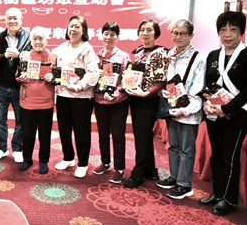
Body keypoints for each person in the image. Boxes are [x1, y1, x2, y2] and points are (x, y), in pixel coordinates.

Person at [201, 11, 247, 216]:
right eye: (223, 30)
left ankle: (228, 198)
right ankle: (217, 193)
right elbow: (208, 83)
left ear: (241, 32)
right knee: (216, 155)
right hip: (214, 113)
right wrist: (207, 104)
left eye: (233, 30)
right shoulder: (213, 55)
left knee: (230, 157)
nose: (227, 34)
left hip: (237, 115)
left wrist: (226, 109)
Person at [156, 19, 205, 199]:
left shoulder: (198, 58)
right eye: (175, 33)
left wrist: (186, 110)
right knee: (173, 145)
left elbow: (198, 89)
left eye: (183, 33)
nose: (178, 37)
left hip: (189, 111)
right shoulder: (170, 55)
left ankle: (184, 184)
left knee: (186, 149)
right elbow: (168, 82)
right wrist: (165, 93)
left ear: (191, 35)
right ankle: (174, 177)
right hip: (172, 107)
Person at [52, 16, 101, 178]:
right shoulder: (62, 47)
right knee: (64, 129)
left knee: (81, 131)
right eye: (71, 26)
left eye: (77, 27)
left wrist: (79, 86)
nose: (72, 29)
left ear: (83, 31)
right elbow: (52, 64)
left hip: (81, 97)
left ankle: (83, 163)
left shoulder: (87, 49)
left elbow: (93, 73)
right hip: (63, 95)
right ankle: (68, 158)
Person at [123, 19, 168, 188]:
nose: (145, 33)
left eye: (149, 30)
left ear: (156, 34)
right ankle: (150, 170)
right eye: (142, 30)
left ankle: (138, 173)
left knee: (142, 137)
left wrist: (147, 93)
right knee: (144, 136)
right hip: (135, 97)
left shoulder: (160, 53)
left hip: (148, 99)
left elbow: (161, 80)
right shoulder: (140, 52)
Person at [92, 22, 130, 184]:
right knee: (102, 134)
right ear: (102, 35)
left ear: (117, 37)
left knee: (118, 136)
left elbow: (127, 80)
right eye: (106, 34)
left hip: (118, 103)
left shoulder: (123, 57)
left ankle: (119, 169)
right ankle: (105, 162)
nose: (109, 37)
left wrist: (115, 95)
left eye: (112, 35)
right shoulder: (96, 56)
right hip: (99, 101)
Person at [15, 27, 56, 174]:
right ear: (31, 41)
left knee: (45, 134)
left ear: (46, 40)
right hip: (27, 102)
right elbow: (18, 75)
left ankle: (43, 161)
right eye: (35, 39)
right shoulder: (25, 56)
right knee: (27, 133)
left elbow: (59, 78)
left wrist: (53, 78)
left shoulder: (53, 57)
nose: (38, 42)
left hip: (46, 102)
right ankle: (27, 159)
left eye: (41, 39)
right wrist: (21, 78)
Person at [0, 7, 32, 163]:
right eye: (9, 18)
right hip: (1, 85)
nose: (12, 21)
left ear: (21, 20)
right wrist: (4, 56)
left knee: (21, 120)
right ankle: (2, 147)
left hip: (19, 86)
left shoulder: (29, 37)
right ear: (5, 20)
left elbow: (33, 56)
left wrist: (19, 56)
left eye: (15, 18)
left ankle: (17, 148)